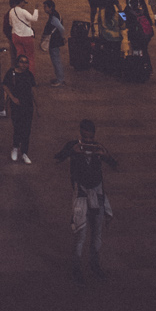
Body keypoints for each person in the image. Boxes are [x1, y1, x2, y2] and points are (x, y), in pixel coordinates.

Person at [55, 118, 118, 280]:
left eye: (90, 138)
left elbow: (115, 165)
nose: (88, 142)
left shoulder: (98, 148)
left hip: (97, 194)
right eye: (85, 138)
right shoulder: (73, 146)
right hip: (81, 194)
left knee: (97, 232)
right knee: (81, 233)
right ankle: (76, 268)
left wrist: (105, 156)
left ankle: (94, 264)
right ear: (80, 135)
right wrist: (72, 151)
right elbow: (58, 157)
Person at [4, 53, 36, 164]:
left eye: (26, 62)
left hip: (27, 105)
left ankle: (24, 153)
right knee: (17, 127)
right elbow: (5, 85)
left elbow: (32, 89)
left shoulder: (29, 74)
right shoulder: (11, 73)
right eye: (22, 62)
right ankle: (15, 147)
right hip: (16, 106)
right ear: (17, 62)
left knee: (27, 129)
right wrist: (12, 98)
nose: (24, 64)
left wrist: (37, 104)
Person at [40, 0, 68, 86]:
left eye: (45, 7)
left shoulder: (54, 17)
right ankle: (59, 78)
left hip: (54, 41)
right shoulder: (55, 14)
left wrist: (63, 37)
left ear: (50, 7)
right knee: (55, 59)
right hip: (55, 40)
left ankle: (60, 80)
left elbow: (61, 28)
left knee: (56, 60)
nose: (44, 9)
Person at [8, 0, 38, 68]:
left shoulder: (11, 11)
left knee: (20, 56)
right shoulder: (23, 11)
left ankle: (20, 74)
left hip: (15, 36)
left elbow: (11, 24)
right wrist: (36, 9)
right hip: (26, 36)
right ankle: (30, 75)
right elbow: (34, 19)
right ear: (21, 2)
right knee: (29, 57)